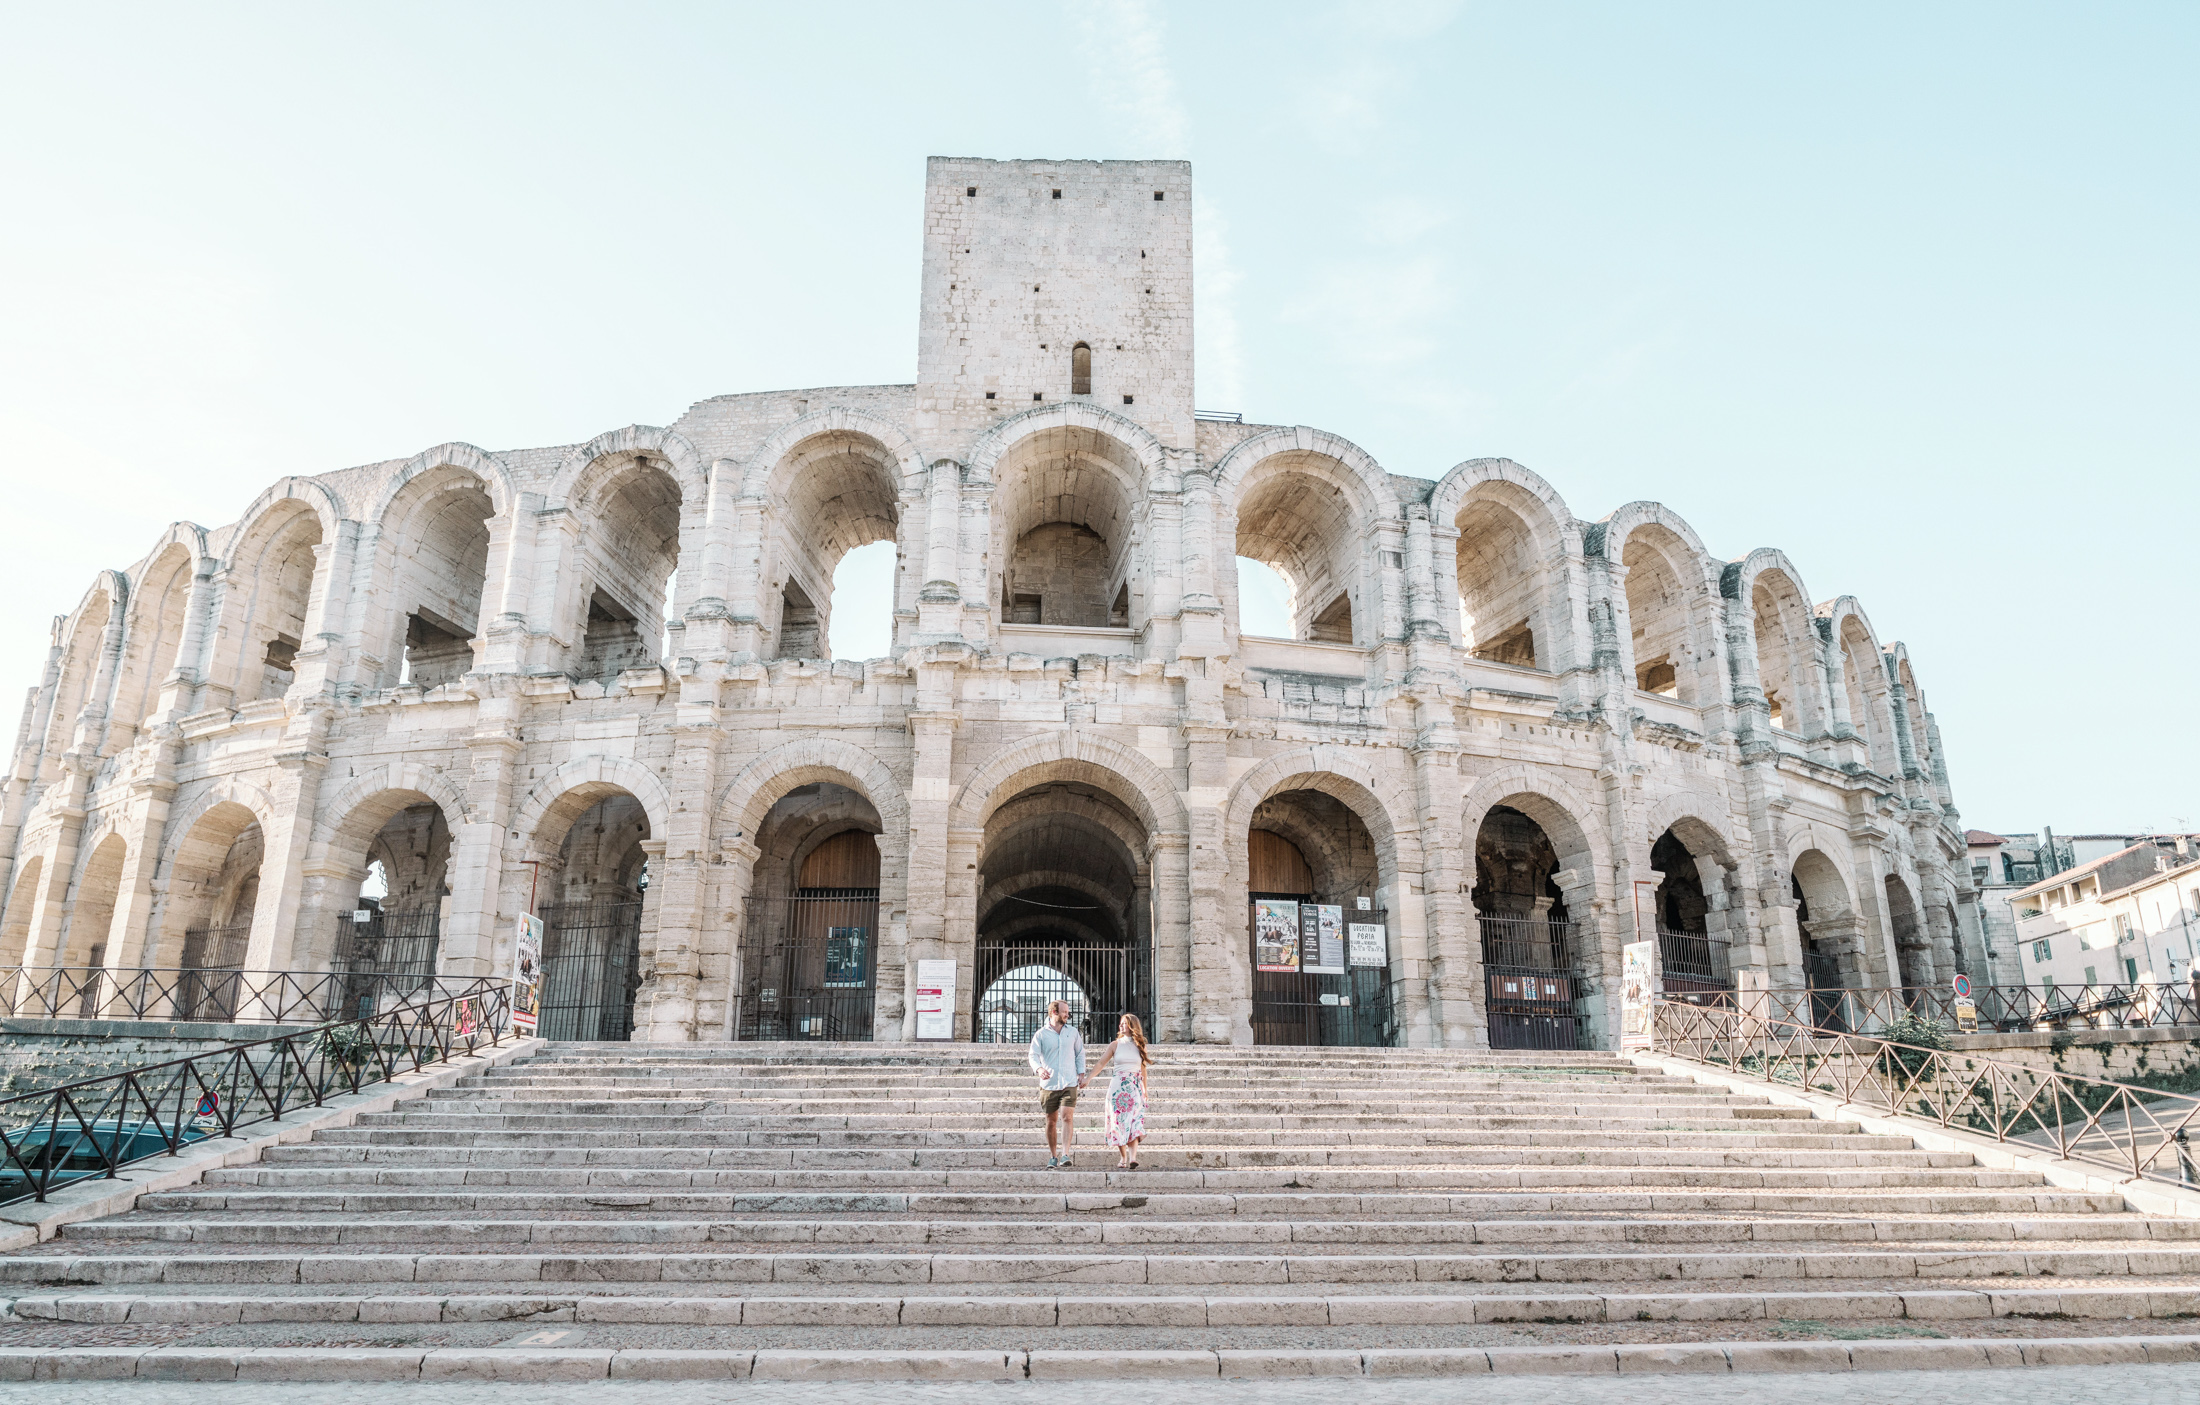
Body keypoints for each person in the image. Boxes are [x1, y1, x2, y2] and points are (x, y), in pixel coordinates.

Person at [1083, 1012, 1150, 1170]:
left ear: (1132, 1026)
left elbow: (1143, 1069)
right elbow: (1101, 1063)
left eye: (1124, 1023)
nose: (1121, 1026)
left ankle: (1133, 1158)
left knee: (1133, 1123)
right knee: (1118, 1122)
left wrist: (1145, 1090)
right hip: (1117, 1088)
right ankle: (1123, 1157)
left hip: (1134, 1088)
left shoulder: (1140, 1045)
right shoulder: (1115, 1045)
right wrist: (1088, 1078)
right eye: (1120, 1023)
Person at [1027, 999, 1086, 1169]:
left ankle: (1066, 1154)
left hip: (1069, 1081)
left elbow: (1080, 1053)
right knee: (1051, 1120)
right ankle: (1053, 1155)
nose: (1068, 1014)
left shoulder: (1073, 1032)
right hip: (1049, 1083)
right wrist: (1038, 1069)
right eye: (1064, 1012)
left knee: (1067, 1116)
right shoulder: (1041, 1034)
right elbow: (1033, 1055)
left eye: (1067, 1012)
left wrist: (1081, 1073)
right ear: (1054, 1012)